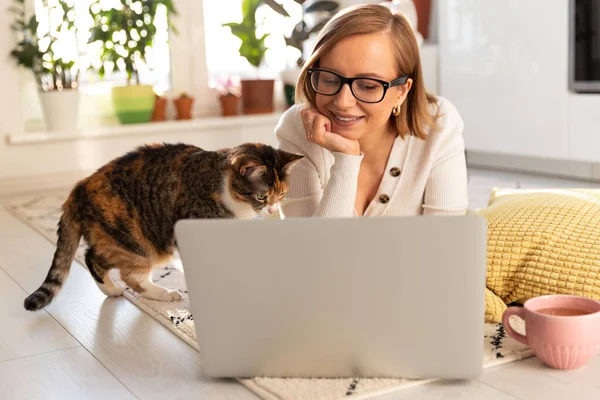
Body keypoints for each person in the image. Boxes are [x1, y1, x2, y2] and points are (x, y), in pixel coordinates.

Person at [275, 3, 467, 218]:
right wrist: (346, 159)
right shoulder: (298, 128)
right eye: (329, 79)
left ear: (402, 92)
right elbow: (310, 249)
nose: (342, 102)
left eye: (368, 86)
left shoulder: (439, 123)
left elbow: (446, 244)